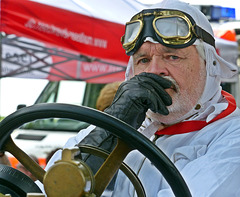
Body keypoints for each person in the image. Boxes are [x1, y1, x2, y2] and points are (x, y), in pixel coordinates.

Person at [40, 0, 240, 196]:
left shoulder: (232, 137)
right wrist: (111, 128)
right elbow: (47, 189)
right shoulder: (124, 122)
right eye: (143, 60)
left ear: (210, 66)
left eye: (172, 57)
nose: (154, 71)